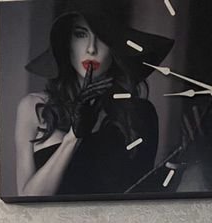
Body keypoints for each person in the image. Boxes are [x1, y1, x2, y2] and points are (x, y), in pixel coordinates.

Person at [15, 0, 173, 198]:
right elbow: (28, 199)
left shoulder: (139, 114)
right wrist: (73, 138)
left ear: (115, 46)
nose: (91, 49)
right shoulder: (33, 108)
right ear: (67, 43)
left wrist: (180, 165)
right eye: (81, 34)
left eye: (102, 37)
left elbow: (140, 197)